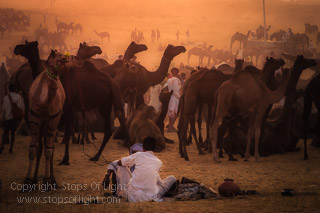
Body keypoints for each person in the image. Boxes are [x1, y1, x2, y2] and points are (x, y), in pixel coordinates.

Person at [107, 137, 177, 202]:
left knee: (122, 166)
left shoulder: (138, 155)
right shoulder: (159, 162)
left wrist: (130, 159)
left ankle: (118, 192)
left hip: (133, 196)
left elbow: (119, 163)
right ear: (154, 148)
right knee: (171, 178)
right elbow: (156, 180)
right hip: (150, 197)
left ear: (143, 148)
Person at [0, 84, 24, 154]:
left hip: (7, 118)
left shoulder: (6, 98)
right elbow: (20, 107)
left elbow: (3, 109)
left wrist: (2, 118)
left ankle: (2, 146)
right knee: (13, 134)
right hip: (14, 119)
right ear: (15, 89)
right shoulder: (18, 97)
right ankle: (11, 148)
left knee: (5, 133)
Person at [166, 68, 181, 132]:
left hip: (170, 97)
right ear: (177, 73)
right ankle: (170, 128)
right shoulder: (176, 80)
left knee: (171, 113)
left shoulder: (169, 80)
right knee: (175, 113)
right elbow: (176, 91)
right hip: (175, 98)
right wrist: (180, 98)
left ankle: (171, 126)